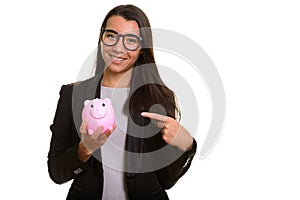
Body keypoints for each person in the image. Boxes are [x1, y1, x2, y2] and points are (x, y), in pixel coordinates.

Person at [48, 4, 197, 200]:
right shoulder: (73, 95)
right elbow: (57, 173)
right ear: (101, 38)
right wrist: (85, 149)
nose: (119, 48)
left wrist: (187, 146)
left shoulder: (159, 97)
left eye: (131, 40)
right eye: (111, 36)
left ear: (142, 48)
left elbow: (166, 180)